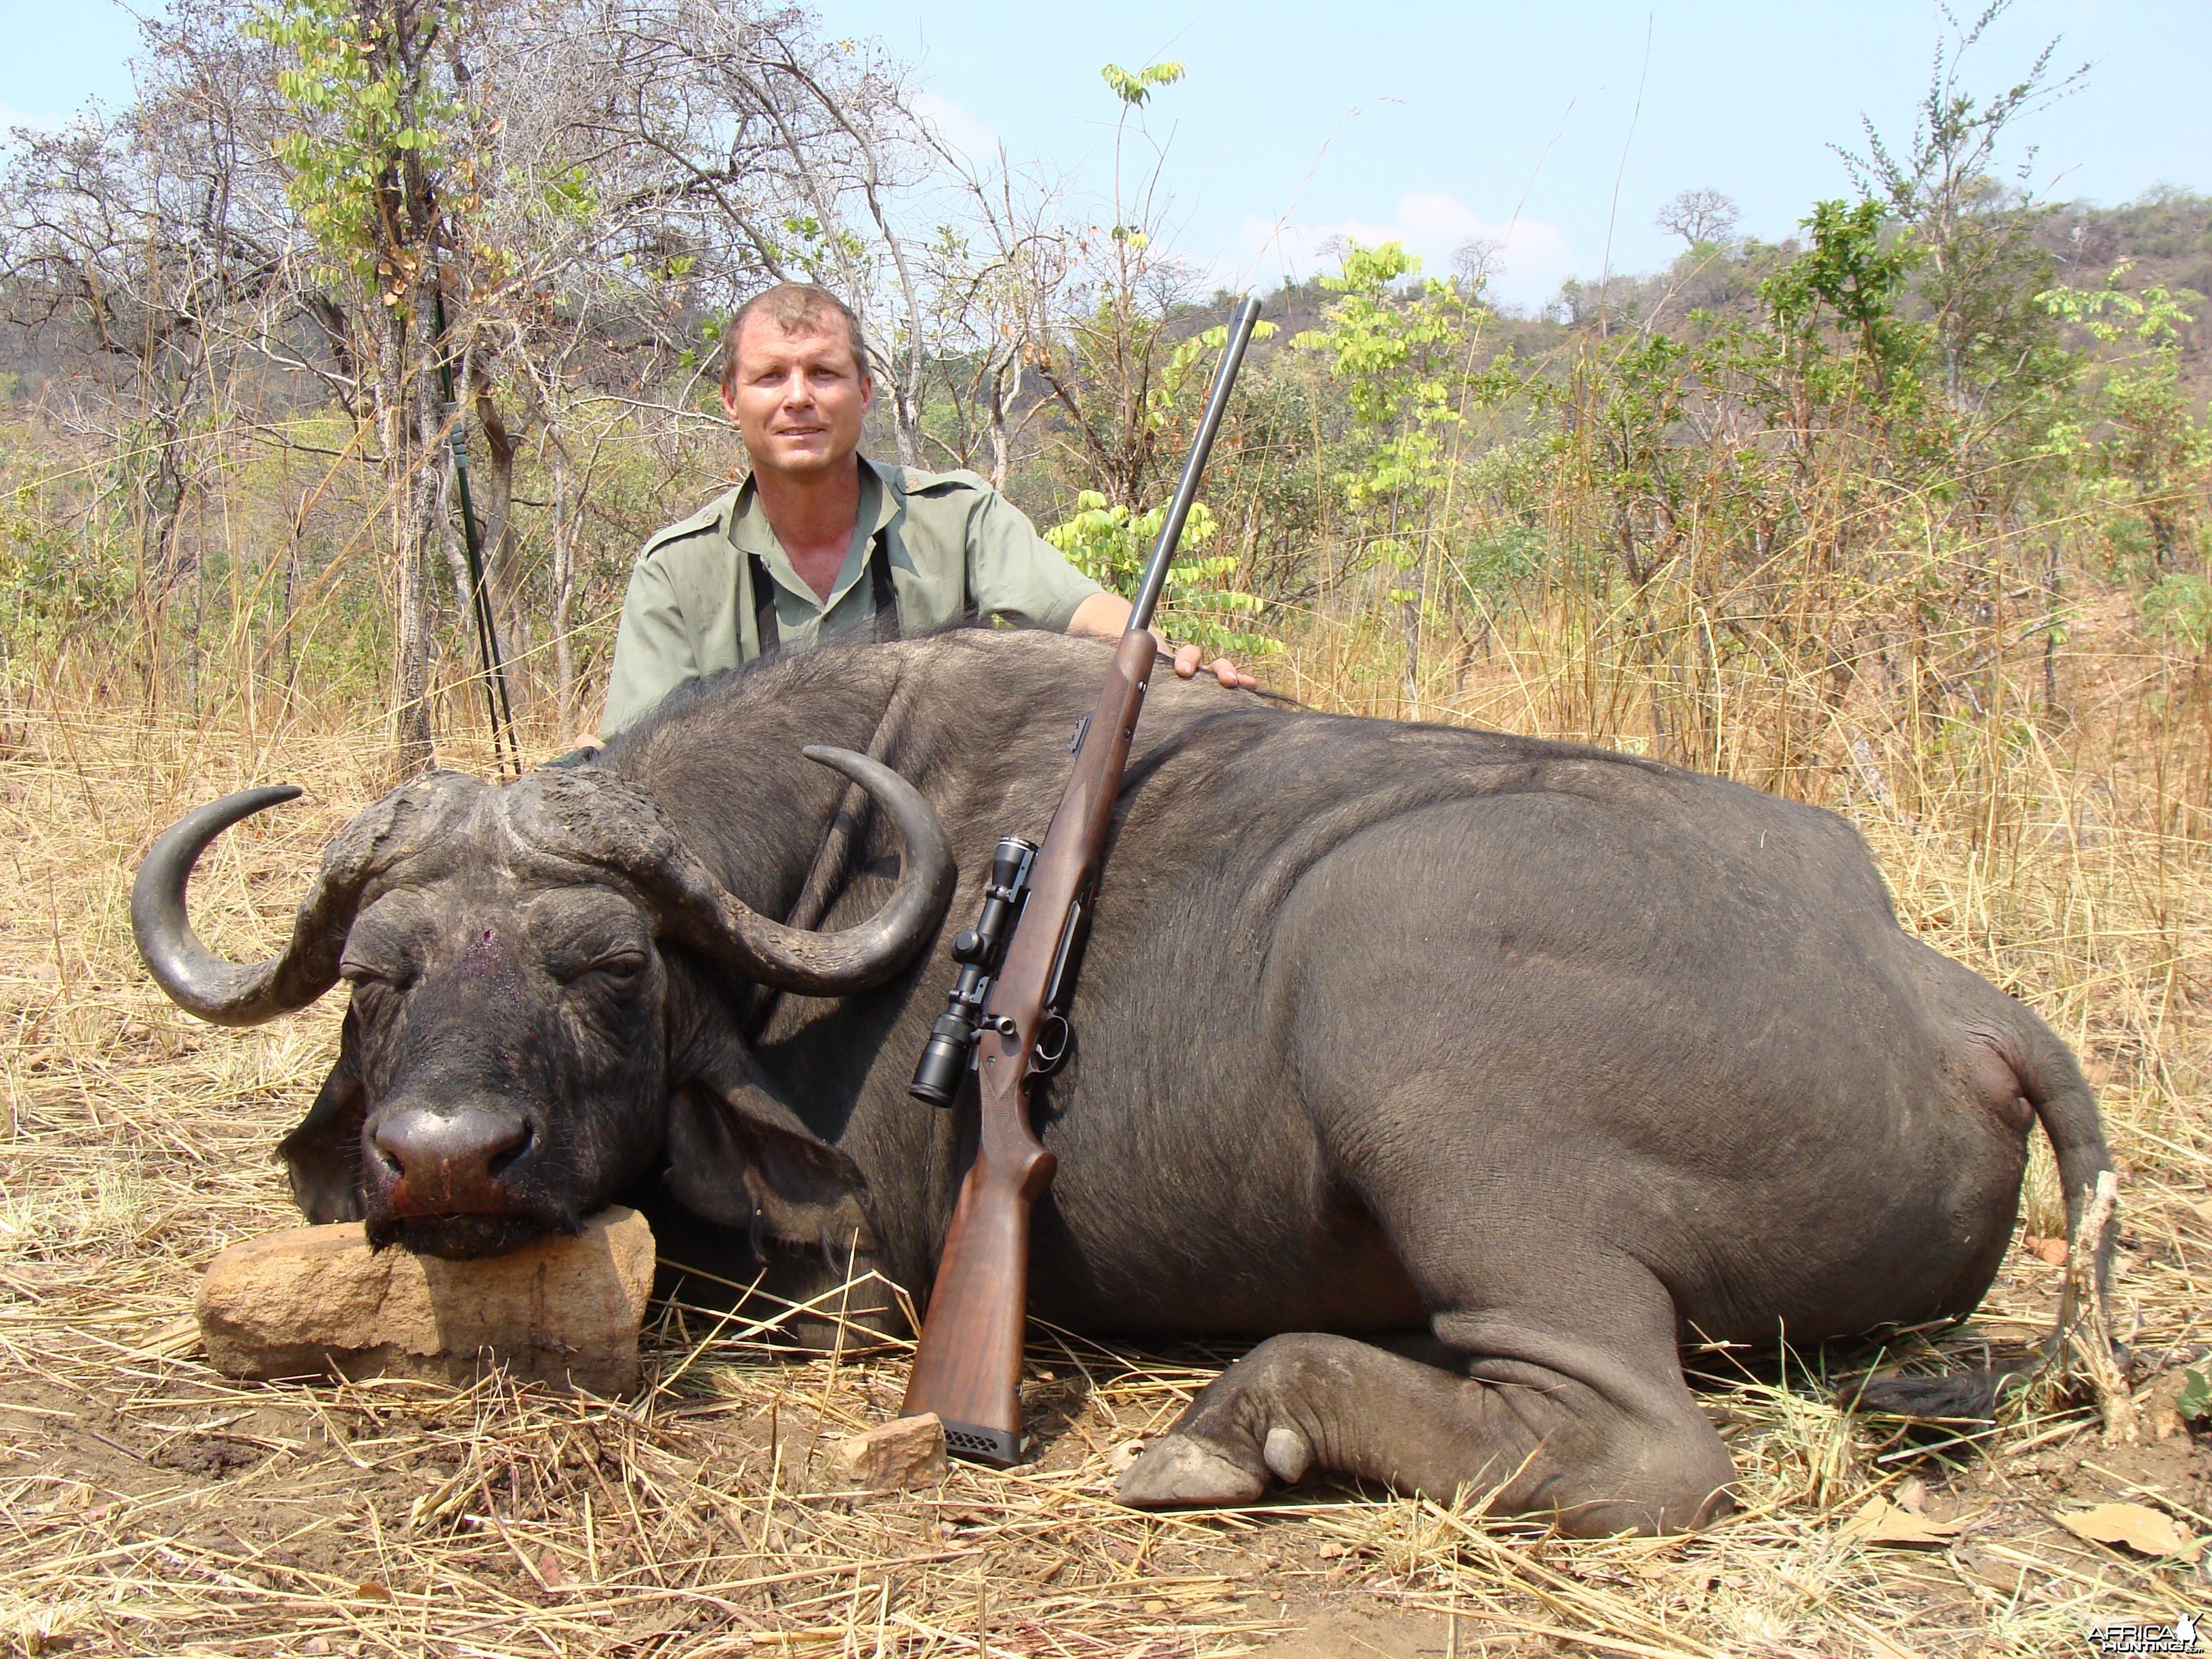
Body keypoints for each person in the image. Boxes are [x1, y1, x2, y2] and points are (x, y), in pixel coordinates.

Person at [590, 282, 1251, 739]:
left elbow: (1086, 615)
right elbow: (640, 762)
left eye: (823, 373)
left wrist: (1170, 666)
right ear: (731, 400)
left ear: (866, 391)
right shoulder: (676, 572)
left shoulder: (956, 518)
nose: (798, 398)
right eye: (771, 378)